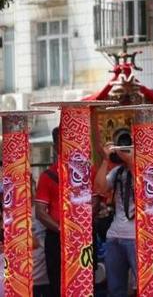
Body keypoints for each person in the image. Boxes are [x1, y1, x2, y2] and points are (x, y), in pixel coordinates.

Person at [94, 133, 137, 297]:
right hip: (115, 236)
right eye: (122, 146)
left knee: (144, 286)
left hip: (136, 237)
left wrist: (130, 158)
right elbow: (99, 187)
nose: (125, 150)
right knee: (115, 290)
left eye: (128, 146)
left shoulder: (145, 169)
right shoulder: (118, 171)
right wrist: (106, 159)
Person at [34, 127, 61, 296]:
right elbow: (40, 212)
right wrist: (61, 230)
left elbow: (96, 199)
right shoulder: (48, 176)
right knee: (57, 283)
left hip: (83, 237)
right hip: (56, 237)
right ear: (56, 146)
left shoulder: (88, 171)